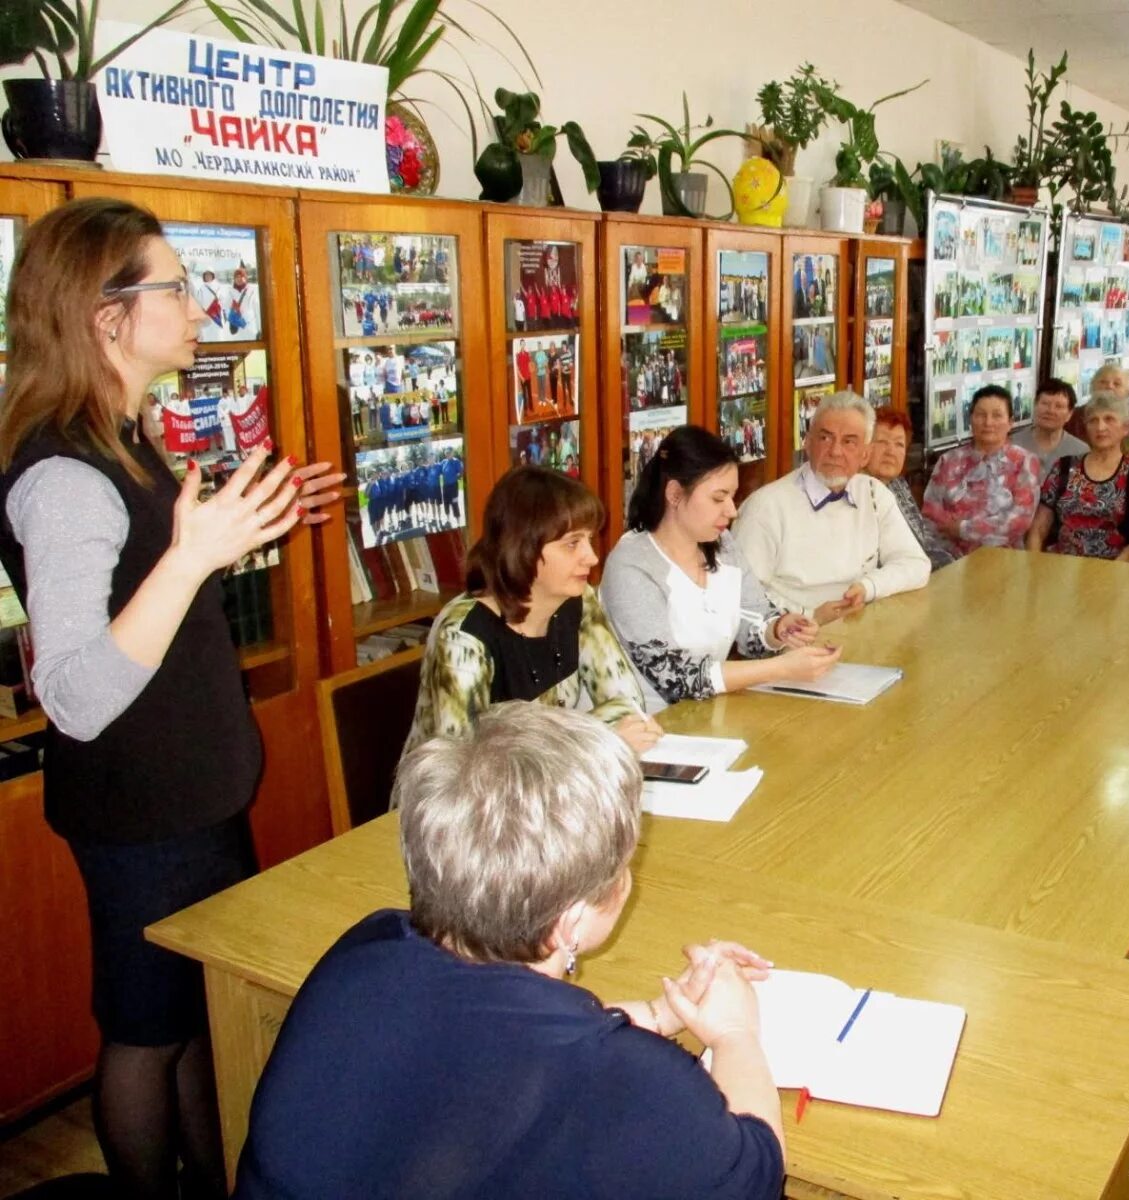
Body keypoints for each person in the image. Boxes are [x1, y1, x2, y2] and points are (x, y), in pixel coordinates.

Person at [0, 198, 342, 1199]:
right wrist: (196, 557)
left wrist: (250, 530)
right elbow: (72, 694)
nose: (198, 305)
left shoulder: (121, 437)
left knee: (197, 1018)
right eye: (176, 287)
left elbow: (148, 582)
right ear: (106, 317)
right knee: (147, 1034)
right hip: (141, 813)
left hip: (191, 796)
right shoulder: (63, 476)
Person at [234, 704, 786, 1199]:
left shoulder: (370, 946)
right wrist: (735, 1035)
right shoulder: (628, 1080)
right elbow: (754, 1174)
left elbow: (493, 1041)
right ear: (571, 923)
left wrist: (661, 1013)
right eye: (624, 868)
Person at [404, 467, 661, 758]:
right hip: (454, 799)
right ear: (522, 546)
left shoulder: (577, 600)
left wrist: (588, 741)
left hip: (548, 782)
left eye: (589, 539)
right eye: (572, 543)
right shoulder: (463, 637)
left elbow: (625, 703)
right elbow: (467, 767)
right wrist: (592, 741)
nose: (591, 557)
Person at [601, 426, 838, 712]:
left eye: (732, 497)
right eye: (718, 498)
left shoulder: (721, 542)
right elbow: (677, 678)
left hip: (708, 715)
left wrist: (778, 629)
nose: (732, 510)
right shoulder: (631, 565)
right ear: (674, 494)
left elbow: (755, 620)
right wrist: (779, 668)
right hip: (647, 731)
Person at [734, 390, 930, 623]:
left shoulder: (873, 493)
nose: (836, 451)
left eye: (849, 441)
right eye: (825, 438)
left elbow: (916, 564)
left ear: (865, 454)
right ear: (807, 443)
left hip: (861, 628)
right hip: (792, 641)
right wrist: (808, 616)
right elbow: (741, 596)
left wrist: (869, 587)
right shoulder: (766, 507)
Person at [1025, 390, 1129, 560]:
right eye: (1093, 421)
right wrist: (1034, 565)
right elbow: (1038, 530)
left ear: (1125, 427)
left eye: (1109, 419)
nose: (1100, 427)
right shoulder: (1064, 467)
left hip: (1113, 571)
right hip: (1059, 567)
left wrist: (1107, 577)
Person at [922, 385, 1041, 554]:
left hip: (1004, 560)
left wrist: (963, 529)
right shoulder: (949, 461)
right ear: (970, 419)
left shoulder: (1024, 462)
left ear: (1010, 422)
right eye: (980, 415)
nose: (988, 422)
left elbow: (1019, 520)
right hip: (951, 560)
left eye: (997, 415)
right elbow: (930, 515)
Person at [864, 407, 956, 570]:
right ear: (864, 448)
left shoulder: (898, 486)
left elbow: (924, 542)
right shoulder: (859, 494)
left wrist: (952, 568)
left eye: (899, 444)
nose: (891, 451)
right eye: (882, 442)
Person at [1009, 377, 1088, 480]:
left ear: (1070, 414)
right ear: (1035, 405)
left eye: (1058, 406)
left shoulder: (1080, 452)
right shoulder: (1012, 444)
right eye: (1045, 404)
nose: (1050, 411)